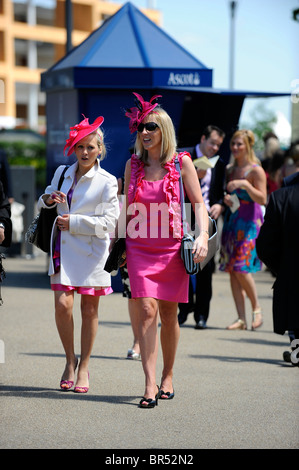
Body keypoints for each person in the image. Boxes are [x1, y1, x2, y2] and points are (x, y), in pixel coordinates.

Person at [113, 92, 209, 408]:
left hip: (172, 248)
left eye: (150, 126)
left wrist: (203, 236)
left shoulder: (182, 163)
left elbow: (199, 205)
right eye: (140, 127)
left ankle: (168, 375)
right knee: (146, 310)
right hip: (141, 247)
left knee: (169, 313)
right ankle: (150, 383)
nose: (144, 132)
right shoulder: (132, 164)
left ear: (163, 129)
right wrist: (118, 241)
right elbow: (128, 207)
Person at [37, 115, 119, 393]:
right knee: (63, 305)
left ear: (100, 150)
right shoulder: (62, 172)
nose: (84, 152)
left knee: (89, 309)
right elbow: (45, 199)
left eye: (91, 147)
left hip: (93, 252)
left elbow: (110, 223)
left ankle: (83, 367)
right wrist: (48, 200)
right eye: (80, 147)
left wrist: (74, 222)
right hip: (62, 247)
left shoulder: (107, 181)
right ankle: (69, 361)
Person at [177, 125, 225, 329]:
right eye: (212, 143)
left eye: (218, 145)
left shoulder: (219, 163)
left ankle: (201, 315)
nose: (214, 148)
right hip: (185, 216)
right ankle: (183, 307)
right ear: (203, 138)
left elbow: (219, 191)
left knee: (206, 267)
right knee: (180, 264)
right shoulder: (182, 156)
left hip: (208, 220)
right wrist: (194, 175)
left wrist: (220, 204)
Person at [219, 129, 267, 330]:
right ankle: (241, 318)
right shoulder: (230, 169)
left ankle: (257, 309)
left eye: (240, 144)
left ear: (248, 146)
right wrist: (228, 200)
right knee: (232, 270)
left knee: (241, 267)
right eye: (233, 144)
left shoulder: (255, 170)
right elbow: (231, 198)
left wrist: (245, 185)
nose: (236, 148)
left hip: (249, 225)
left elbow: (263, 198)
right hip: (232, 223)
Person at [256, 170, 299, 366]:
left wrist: (282, 270)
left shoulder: (280, 197)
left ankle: (297, 350)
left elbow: (265, 247)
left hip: (291, 278)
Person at [117, 175, 140, 360]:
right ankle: (137, 341)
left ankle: (148, 340)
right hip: (130, 247)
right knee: (133, 297)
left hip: (155, 245)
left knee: (151, 299)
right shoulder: (124, 182)